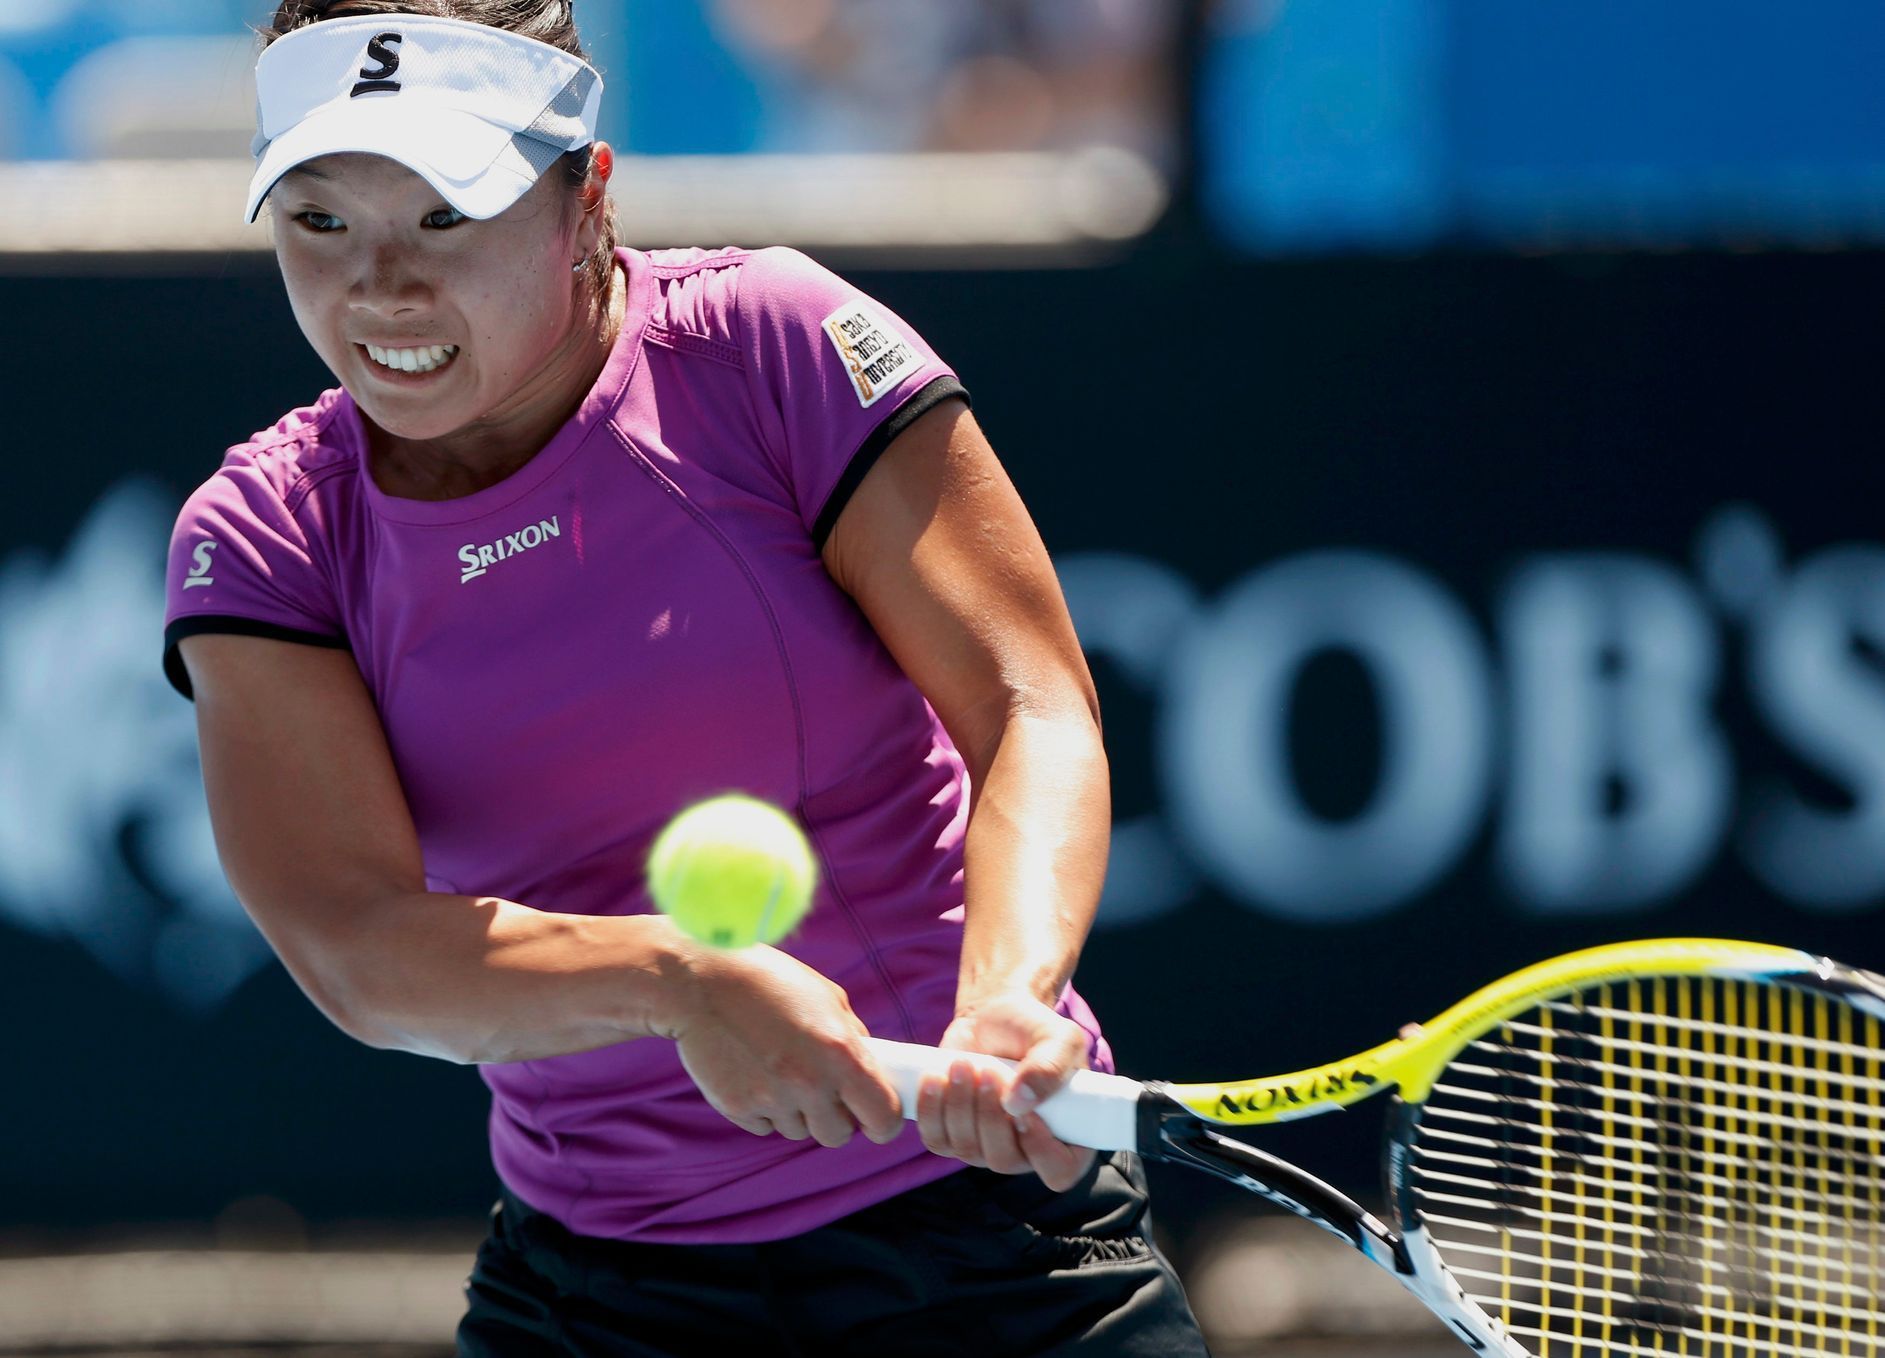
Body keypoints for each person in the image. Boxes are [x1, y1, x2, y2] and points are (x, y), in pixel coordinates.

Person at [163, 3, 1209, 1354]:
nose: (382, 288)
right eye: (319, 223)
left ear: (585, 196)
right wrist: (673, 978)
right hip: (601, 1299)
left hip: (991, 1242)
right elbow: (355, 943)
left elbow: (1026, 704)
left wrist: (1006, 997)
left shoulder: (771, 343)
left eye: (444, 216)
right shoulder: (265, 532)